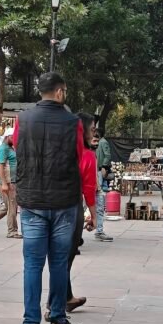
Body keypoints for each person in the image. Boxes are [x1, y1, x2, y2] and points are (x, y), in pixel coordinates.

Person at [9, 72, 85, 324]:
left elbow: (17, 148)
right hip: (64, 200)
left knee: (32, 264)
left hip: (32, 201)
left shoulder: (22, 119)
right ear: (61, 92)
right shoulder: (72, 121)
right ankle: (57, 318)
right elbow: (79, 154)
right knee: (59, 262)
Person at [64, 113, 99, 311]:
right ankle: (57, 302)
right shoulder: (87, 155)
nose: (94, 131)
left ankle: (66, 296)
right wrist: (93, 215)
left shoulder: (60, 150)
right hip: (71, 207)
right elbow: (88, 188)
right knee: (66, 257)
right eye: (91, 127)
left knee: (60, 257)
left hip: (50, 204)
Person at [92, 128, 113, 242]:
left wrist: (104, 166)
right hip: (88, 183)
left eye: (96, 141)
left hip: (97, 175)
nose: (96, 143)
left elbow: (107, 155)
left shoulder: (102, 142)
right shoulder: (85, 152)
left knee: (100, 204)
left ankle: (99, 230)